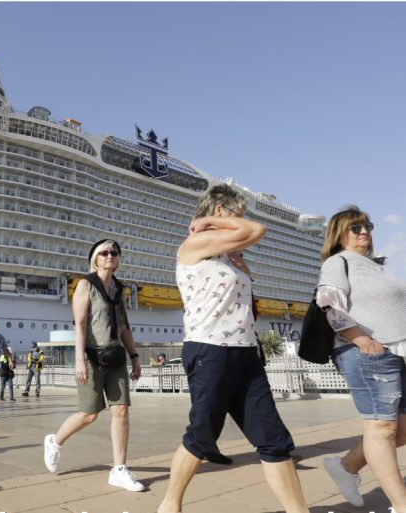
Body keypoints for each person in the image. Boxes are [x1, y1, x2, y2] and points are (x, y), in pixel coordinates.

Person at [157, 184, 308, 513]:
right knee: (202, 436)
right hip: (210, 351)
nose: (242, 220)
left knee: (273, 439)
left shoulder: (229, 255)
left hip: (245, 352)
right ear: (220, 211)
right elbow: (258, 229)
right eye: (238, 213)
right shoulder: (196, 243)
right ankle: (170, 505)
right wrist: (209, 224)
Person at [315, 206, 406, 511]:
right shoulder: (338, 262)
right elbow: (330, 306)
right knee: (382, 430)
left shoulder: (375, 265)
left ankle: (345, 467)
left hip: (396, 351)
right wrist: (363, 340)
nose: (364, 231)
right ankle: (401, 504)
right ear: (339, 233)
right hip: (367, 353)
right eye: (356, 227)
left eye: (368, 226)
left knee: (401, 431)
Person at [43, 239, 145, 492]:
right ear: (95, 259)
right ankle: (55, 441)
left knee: (121, 410)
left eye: (114, 253)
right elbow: (80, 324)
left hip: (116, 356)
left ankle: (119, 470)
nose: (110, 256)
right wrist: (79, 358)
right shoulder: (85, 284)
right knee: (89, 414)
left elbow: (124, 326)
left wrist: (134, 355)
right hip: (91, 356)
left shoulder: (120, 288)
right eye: (105, 252)